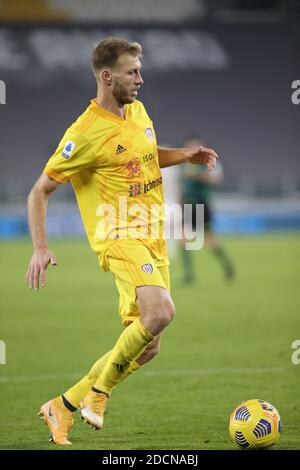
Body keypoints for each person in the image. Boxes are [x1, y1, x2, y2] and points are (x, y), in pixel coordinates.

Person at [25, 37, 218, 445]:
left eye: (140, 70)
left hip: (153, 234)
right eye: (132, 72)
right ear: (107, 76)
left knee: (147, 347)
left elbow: (144, 156)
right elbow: (39, 190)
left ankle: (62, 406)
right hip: (118, 233)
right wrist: (41, 247)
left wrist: (183, 156)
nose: (140, 79)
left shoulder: (138, 111)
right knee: (162, 311)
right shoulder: (84, 132)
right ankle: (99, 393)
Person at [180, 136, 234, 284]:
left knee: (207, 240)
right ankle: (189, 275)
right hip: (189, 205)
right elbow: (183, 185)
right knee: (184, 239)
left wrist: (197, 175)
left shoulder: (209, 162)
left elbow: (216, 180)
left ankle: (225, 264)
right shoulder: (185, 164)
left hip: (202, 205)